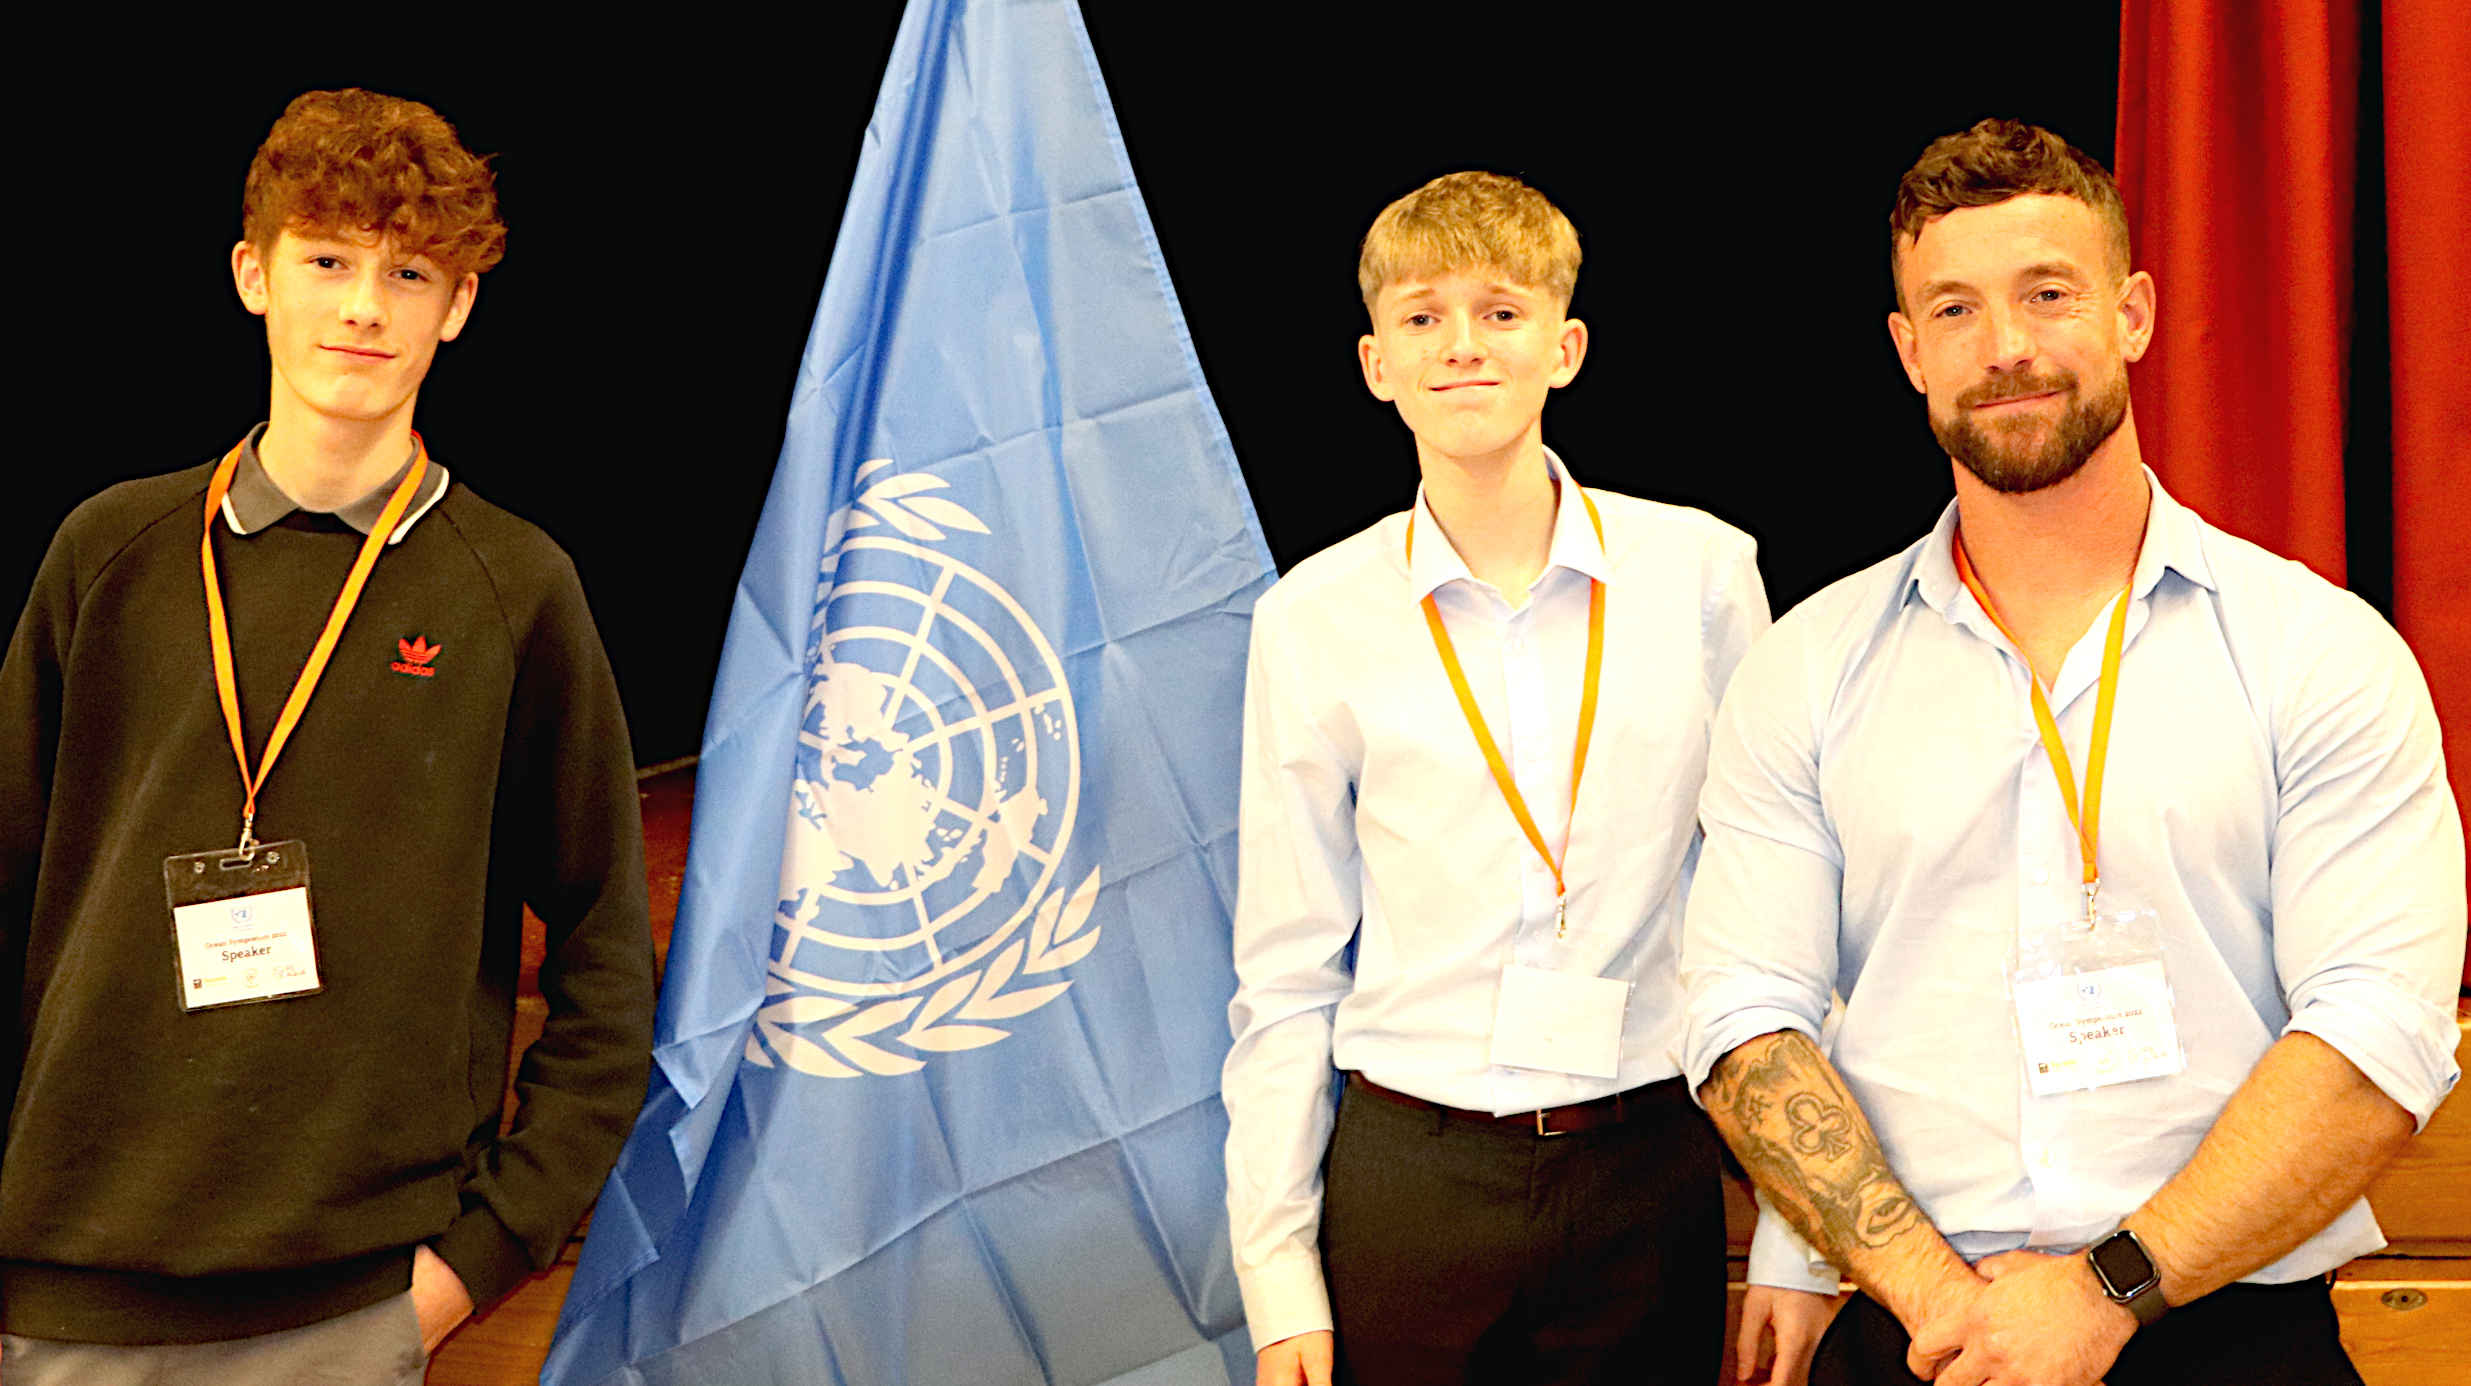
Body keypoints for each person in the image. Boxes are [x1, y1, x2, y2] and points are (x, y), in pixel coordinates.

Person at [1681, 118, 2465, 1386]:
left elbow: (2376, 1033)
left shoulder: (2317, 651)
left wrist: (2106, 1291)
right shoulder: (1806, 669)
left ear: (2134, 314)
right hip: (1919, 1335)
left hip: (2227, 1337)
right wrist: (1945, 1300)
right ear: (1906, 352)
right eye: (1953, 309)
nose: (2004, 348)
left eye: (2047, 294)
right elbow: (1738, 1023)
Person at [0, 88, 655, 1383]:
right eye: (327, 259)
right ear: (252, 275)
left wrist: (478, 1258)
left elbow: (606, 954)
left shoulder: (511, 590)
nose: (364, 305)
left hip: (351, 1309)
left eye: (409, 270)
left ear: (457, 304)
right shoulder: (109, 556)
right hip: (64, 1298)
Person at [1222, 170, 1781, 1386]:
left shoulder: (1700, 574)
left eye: (1500, 311)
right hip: (1409, 1177)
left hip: (1647, 1164)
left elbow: (1770, 915)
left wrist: (1798, 1232)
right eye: (1421, 317)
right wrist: (1275, 1283)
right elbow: (1283, 968)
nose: (1462, 346)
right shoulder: (1310, 617)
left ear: (1565, 347)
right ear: (1373, 363)